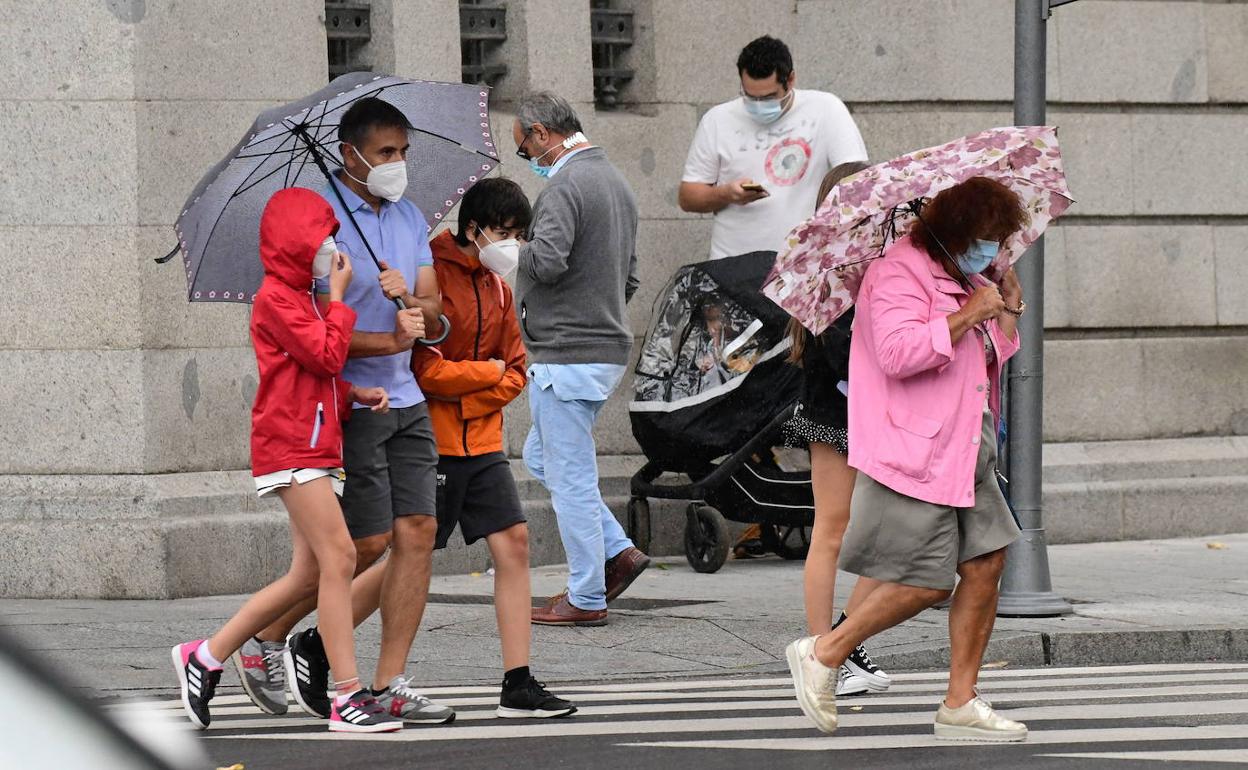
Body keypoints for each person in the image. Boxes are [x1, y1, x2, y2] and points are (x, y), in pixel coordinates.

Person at [233, 97, 456, 726]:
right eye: (386, 153)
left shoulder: (411, 217)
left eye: (404, 152)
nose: (398, 164)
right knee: (359, 545)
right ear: (350, 153)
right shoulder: (319, 224)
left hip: (406, 397)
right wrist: (387, 337)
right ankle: (270, 635)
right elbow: (308, 333)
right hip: (346, 405)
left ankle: (389, 682)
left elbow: (435, 312)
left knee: (417, 535)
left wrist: (410, 300)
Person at [786, 177, 1030, 742]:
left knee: (986, 564)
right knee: (924, 581)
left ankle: (960, 703)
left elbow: (989, 357)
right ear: (955, 230)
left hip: (968, 443)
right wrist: (970, 313)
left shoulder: (964, 275)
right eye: (987, 237)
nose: (993, 249)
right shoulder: (897, 272)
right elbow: (898, 354)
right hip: (917, 449)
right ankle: (824, 652)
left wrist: (1007, 306)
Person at [171, 188, 400, 733]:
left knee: (310, 573)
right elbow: (323, 353)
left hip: (315, 444)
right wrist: (341, 300)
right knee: (341, 556)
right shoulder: (275, 299)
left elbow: (311, 376)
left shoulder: (303, 297)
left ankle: (205, 655)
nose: (332, 249)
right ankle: (347, 695)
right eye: (323, 240)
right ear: (298, 246)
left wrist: (350, 395)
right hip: (291, 448)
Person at [411, 177, 576, 718]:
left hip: (482, 443)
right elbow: (427, 370)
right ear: (474, 229)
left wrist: (481, 390)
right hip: (431, 443)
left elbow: (517, 373)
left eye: (519, 235)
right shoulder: (430, 275)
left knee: (516, 545)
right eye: (503, 232)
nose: (512, 244)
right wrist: (483, 375)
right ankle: (320, 645)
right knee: (403, 562)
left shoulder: (501, 287)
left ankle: (518, 682)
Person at [510, 92, 651, 627]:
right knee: (544, 458)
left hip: (566, 353)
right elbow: (630, 277)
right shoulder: (615, 182)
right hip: (599, 349)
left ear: (542, 133)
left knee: (567, 475)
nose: (526, 157)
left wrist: (508, 253)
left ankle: (587, 595)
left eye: (524, 146)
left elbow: (546, 262)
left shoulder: (567, 184)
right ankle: (619, 552)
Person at [783, 162, 890, 698]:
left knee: (890, 535)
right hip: (835, 414)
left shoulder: (878, 259)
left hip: (870, 414)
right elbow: (844, 354)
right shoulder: (828, 267)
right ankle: (822, 648)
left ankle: (843, 642)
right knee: (831, 531)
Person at [678, 35, 868, 260]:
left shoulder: (825, 109)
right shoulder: (717, 120)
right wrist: (725, 194)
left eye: (769, 97)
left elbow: (856, 180)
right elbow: (688, 197)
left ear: (791, 80)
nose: (759, 105)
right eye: (750, 96)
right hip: (732, 265)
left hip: (801, 261)